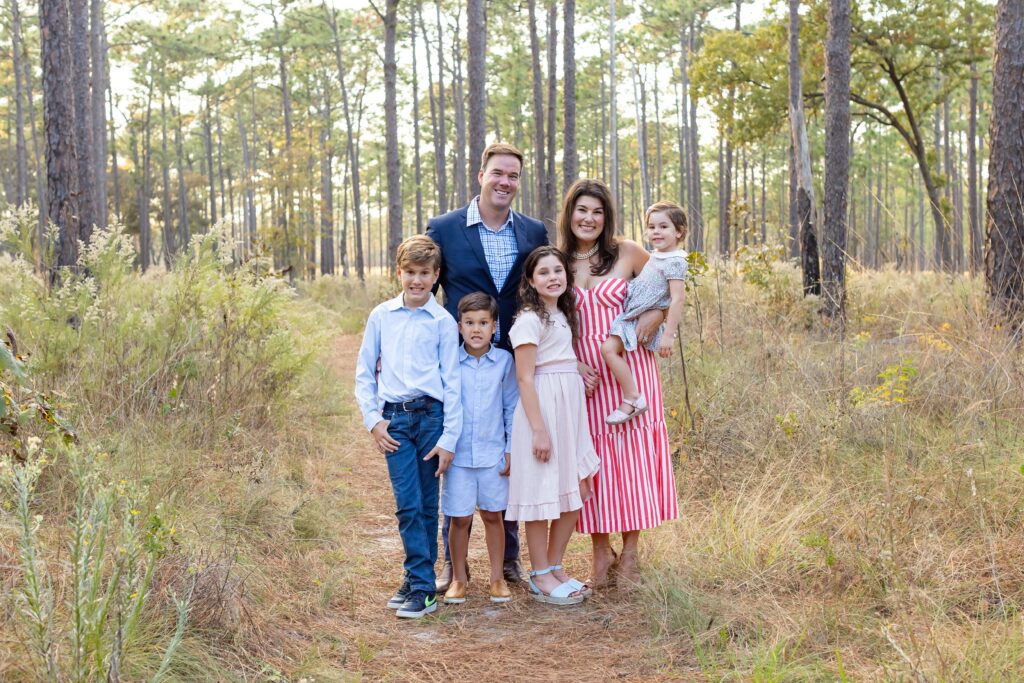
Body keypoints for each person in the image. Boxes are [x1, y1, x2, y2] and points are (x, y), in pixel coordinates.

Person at [426, 142, 548, 590]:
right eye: (498, 173)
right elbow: (427, 295)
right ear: (481, 175)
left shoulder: (533, 231)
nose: (505, 182)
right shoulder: (444, 228)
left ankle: (508, 560)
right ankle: (452, 565)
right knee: (456, 451)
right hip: (459, 358)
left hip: (516, 359)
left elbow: (544, 290)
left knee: (506, 454)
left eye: (513, 176)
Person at [560, 179, 679, 591]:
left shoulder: (627, 252)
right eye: (582, 210)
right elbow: (549, 321)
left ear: (606, 217)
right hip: (585, 378)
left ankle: (629, 553)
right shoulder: (558, 260)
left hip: (631, 367)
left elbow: (670, 286)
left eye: (597, 212)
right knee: (593, 461)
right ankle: (600, 551)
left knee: (631, 460)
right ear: (569, 214)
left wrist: (656, 316)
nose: (589, 218)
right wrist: (573, 363)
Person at [354, 235, 461, 619]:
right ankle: (419, 579)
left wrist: (449, 438)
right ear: (398, 272)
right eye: (410, 272)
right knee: (408, 505)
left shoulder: (443, 321)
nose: (417, 280)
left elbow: (453, 382)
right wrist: (373, 421)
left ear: (436, 275)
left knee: (427, 504)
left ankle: (420, 585)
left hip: (431, 419)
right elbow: (364, 372)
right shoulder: (382, 316)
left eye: (424, 273)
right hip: (395, 421)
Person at [506, 246, 600, 605]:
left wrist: (577, 369)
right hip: (542, 412)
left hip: (569, 413)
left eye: (558, 270)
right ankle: (539, 573)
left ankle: (555, 565)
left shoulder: (562, 313)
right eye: (543, 273)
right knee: (540, 494)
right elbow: (525, 377)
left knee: (575, 488)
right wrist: (539, 430)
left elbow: (558, 357)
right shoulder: (528, 319)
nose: (553, 278)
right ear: (531, 281)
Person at [442, 292, 518, 605]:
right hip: (458, 457)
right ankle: (458, 578)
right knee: (459, 519)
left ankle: (497, 578)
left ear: (494, 326)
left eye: (483, 323)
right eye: (469, 323)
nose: (476, 329)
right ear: (459, 326)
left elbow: (511, 407)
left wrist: (510, 449)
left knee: (492, 515)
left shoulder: (504, 362)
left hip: (492, 455)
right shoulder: (450, 362)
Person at [600, 201, 689, 425]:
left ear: (679, 231)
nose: (656, 232)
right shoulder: (656, 255)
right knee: (609, 350)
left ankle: (633, 398)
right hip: (632, 313)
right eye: (651, 227)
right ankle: (632, 397)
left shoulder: (676, 261)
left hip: (635, 318)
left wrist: (668, 334)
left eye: (663, 227)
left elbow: (677, 298)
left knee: (608, 349)